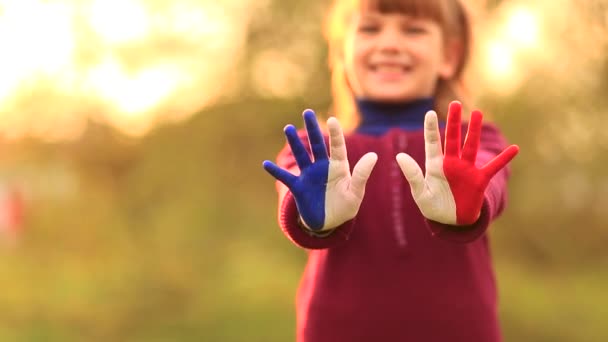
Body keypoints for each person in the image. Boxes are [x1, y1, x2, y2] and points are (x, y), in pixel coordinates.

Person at [262, 0, 520, 341]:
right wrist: (312, 215)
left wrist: (470, 201)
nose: (390, 44)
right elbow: (292, 185)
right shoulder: (316, 149)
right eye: (370, 28)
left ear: (449, 56)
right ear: (341, 52)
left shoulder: (474, 138)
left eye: (413, 30)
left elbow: (490, 179)